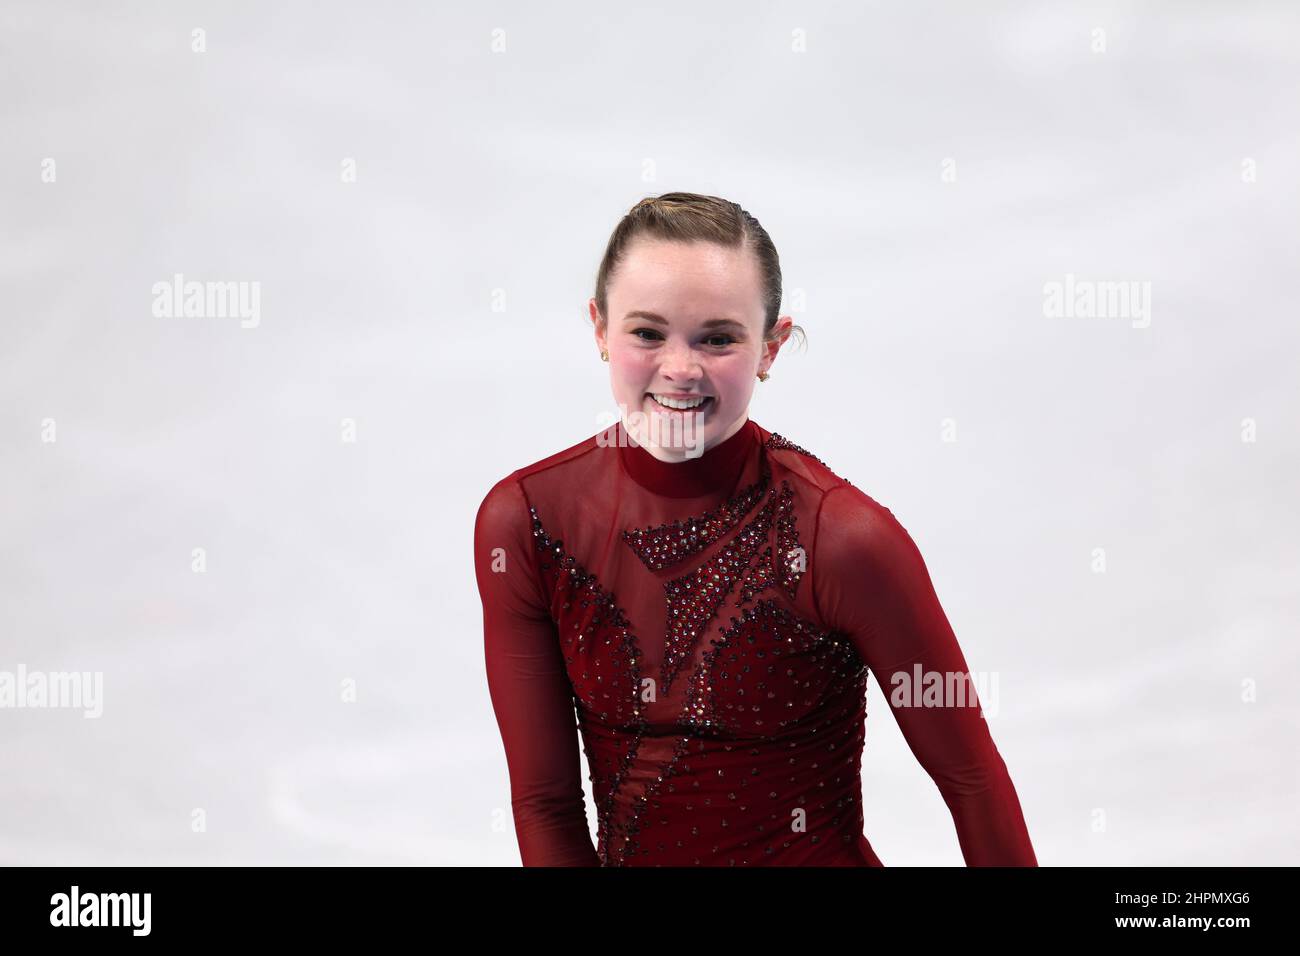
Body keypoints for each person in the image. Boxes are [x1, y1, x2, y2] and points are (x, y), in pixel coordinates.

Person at [473, 192, 1037, 866]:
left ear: (770, 346)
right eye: (647, 333)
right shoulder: (529, 521)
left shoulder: (842, 538)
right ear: (600, 330)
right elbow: (546, 805)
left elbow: (969, 782)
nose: (680, 370)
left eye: (717, 338)